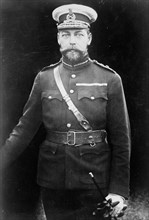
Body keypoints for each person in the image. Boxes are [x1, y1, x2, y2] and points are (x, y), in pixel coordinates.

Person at [1, 4, 131, 220]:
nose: (72, 40)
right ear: (59, 38)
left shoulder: (110, 79)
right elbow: (23, 130)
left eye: (78, 34)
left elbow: (122, 140)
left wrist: (118, 190)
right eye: (66, 34)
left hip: (94, 180)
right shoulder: (44, 78)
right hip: (53, 181)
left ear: (89, 38)